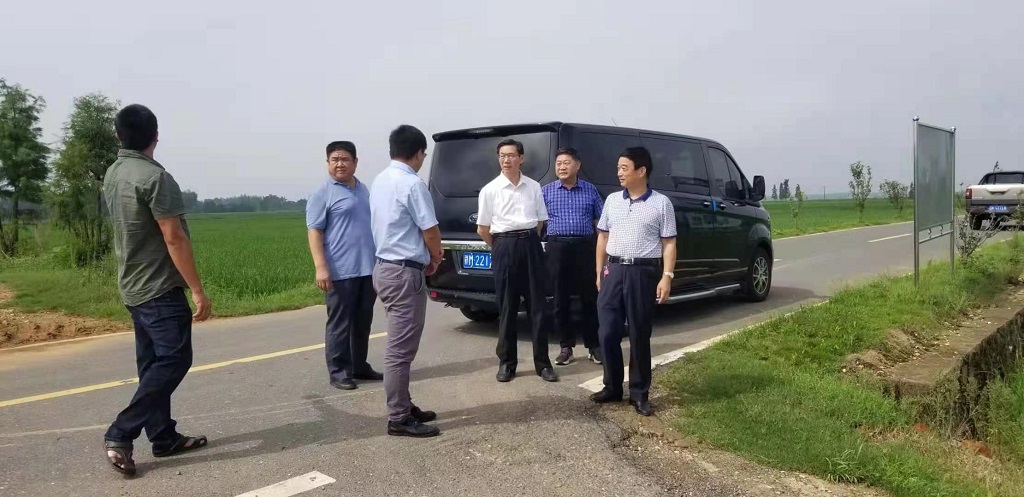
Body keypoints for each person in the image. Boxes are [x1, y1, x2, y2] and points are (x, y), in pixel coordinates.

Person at [101, 103, 212, 477]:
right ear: (156, 136)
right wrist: (197, 290)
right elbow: (173, 236)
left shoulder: (114, 173)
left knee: (152, 364)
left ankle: (163, 436)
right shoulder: (155, 177)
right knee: (175, 359)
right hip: (159, 287)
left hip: (132, 285)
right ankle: (121, 432)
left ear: (119, 136)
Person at [590, 146, 677, 417]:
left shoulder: (661, 203)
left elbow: (669, 243)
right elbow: (603, 237)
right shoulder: (612, 200)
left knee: (639, 333)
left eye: (624, 168)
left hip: (643, 272)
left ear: (641, 171)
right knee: (607, 331)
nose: (619, 173)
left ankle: (639, 393)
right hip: (613, 271)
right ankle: (612, 386)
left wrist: (667, 276)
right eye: (618, 168)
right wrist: (599, 271)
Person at [369, 124, 443, 438]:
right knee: (400, 351)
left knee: (399, 345)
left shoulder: (380, 180)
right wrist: (436, 257)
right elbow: (430, 230)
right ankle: (398, 417)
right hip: (403, 273)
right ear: (419, 153)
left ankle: (405, 404)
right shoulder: (412, 184)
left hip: (385, 268)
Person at [477, 138, 557, 383]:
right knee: (508, 308)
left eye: (511, 155)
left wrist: (527, 241)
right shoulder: (490, 190)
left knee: (538, 308)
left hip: (530, 244)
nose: (506, 160)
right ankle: (507, 363)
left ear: (521, 158)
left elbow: (540, 222)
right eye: (502, 156)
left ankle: (543, 364)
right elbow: (483, 229)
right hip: (504, 246)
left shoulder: (533, 187)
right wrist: (501, 247)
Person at [306, 141, 383, 390]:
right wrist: (321, 267)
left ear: (355, 163)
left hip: (367, 268)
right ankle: (338, 371)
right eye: (335, 159)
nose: (340, 164)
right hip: (340, 271)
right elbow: (315, 232)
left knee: (362, 321)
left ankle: (358, 365)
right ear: (327, 163)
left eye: (345, 159)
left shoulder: (363, 189)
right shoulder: (322, 193)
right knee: (340, 323)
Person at [541, 147, 604, 366]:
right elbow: (538, 222)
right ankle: (565, 347)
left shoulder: (590, 190)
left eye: (566, 163)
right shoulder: (546, 191)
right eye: (558, 163)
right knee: (560, 298)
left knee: (590, 297)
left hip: (584, 247)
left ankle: (593, 345)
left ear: (577, 165)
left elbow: (600, 222)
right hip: (557, 248)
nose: (562, 167)